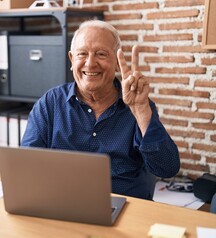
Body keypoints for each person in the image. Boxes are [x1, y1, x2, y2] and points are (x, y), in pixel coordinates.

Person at [21, 19, 180, 200]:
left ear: (117, 63)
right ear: (72, 60)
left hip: (124, 207)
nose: (90, 63)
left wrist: (141, 111)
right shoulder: (50, 103)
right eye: (82, 54)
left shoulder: (138, 105)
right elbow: (27, 166)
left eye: (101, 54)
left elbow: (167, 169)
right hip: (62, 203)